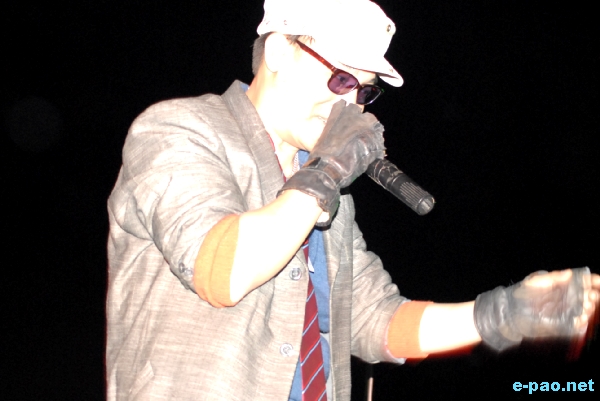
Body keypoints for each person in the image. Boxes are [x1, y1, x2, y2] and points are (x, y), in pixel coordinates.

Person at [105, 0, 600, 400]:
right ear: (278, 51)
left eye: (363, 92)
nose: (349, 104)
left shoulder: (323, 193)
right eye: (341, 78)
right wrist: (328, 171)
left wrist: (506, 311)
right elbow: (222, 271)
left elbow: (374, 319)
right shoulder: (178, 130)